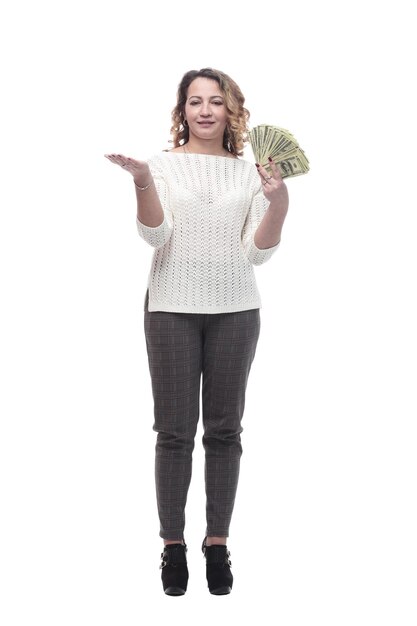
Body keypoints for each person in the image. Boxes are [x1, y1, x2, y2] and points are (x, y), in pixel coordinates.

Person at [104, 67, 289, 596]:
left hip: (236, 311)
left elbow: (258, 251)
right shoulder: (160, 165)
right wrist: (142, 181)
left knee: (226, 432)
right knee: (175, 432)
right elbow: (154, 233)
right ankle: (172, 548)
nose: (205, 110)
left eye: (215, 101)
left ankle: (217, 543)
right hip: (170, 310)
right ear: (181, 111)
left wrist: (278, 203)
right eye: (194, 101)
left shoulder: (254, 172)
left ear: (233, 110)